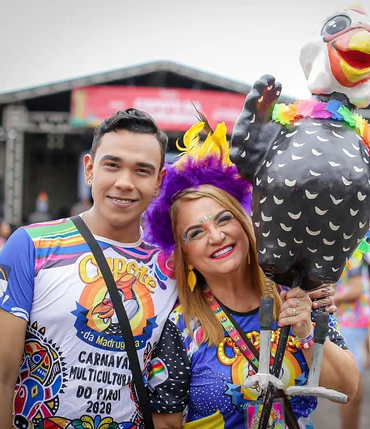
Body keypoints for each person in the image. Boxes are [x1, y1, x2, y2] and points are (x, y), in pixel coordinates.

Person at [0, 109, 180, 429]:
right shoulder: (32, 246)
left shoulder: (172, 268)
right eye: (112, 165)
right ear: (89, 169)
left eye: (142, 170)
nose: (124, 183)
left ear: (159, 182)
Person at [147, 121, 357, 429]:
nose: (216, 236)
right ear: (185, 255)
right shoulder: (181, 329)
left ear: (245, 225)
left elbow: (348, 388)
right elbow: (166, 423)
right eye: (196, 232)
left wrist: (306, 332)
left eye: (224, 219)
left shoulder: (298, 295)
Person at [334, 256, 370, 429]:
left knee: (351, 384)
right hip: (350, 321)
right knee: (349, 383)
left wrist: (328, 297)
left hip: (352, 321)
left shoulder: (352, 252)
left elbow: (355, 290)